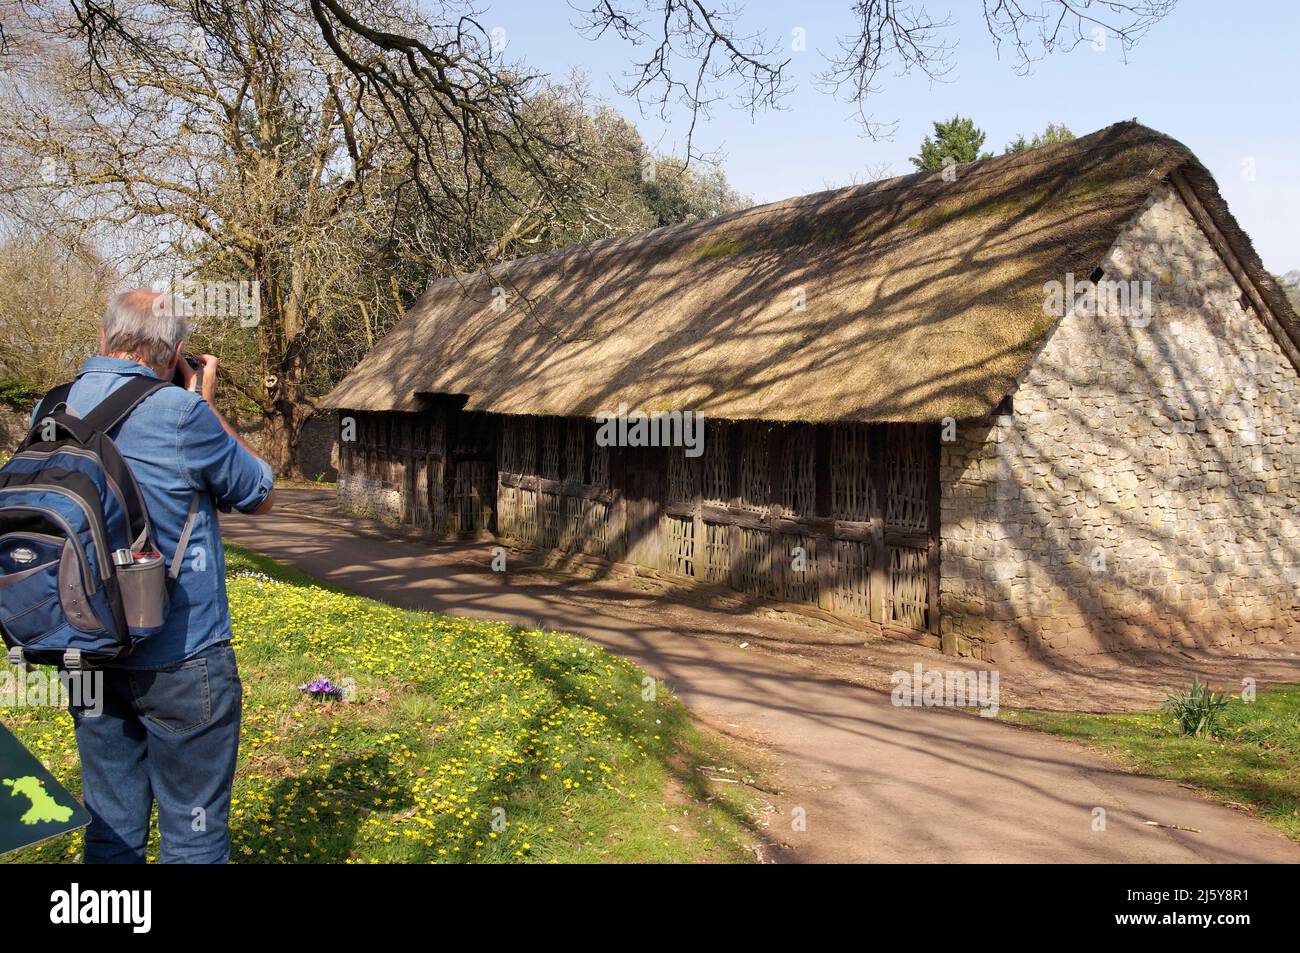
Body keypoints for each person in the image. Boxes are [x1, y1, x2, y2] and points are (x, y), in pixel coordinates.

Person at [47, 289, 275, 863]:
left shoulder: (50, 410)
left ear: (103, 339)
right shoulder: (183, 413)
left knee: (111, 826)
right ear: (174, 354)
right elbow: (259, 492)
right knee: (193, 833)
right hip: (179, 655)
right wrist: (203, 400)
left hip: (84, 647)